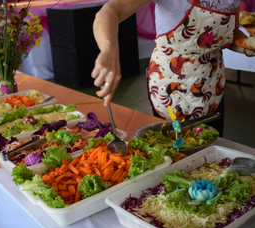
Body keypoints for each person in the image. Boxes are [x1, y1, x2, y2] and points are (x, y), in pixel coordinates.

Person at [91, 0, 255, 137]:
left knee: (214, 147)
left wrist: (248, 47)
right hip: (172, 87)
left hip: (212, 87)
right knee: (178, 150)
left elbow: (227, 35)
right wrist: (109, 49)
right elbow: (110, 11)